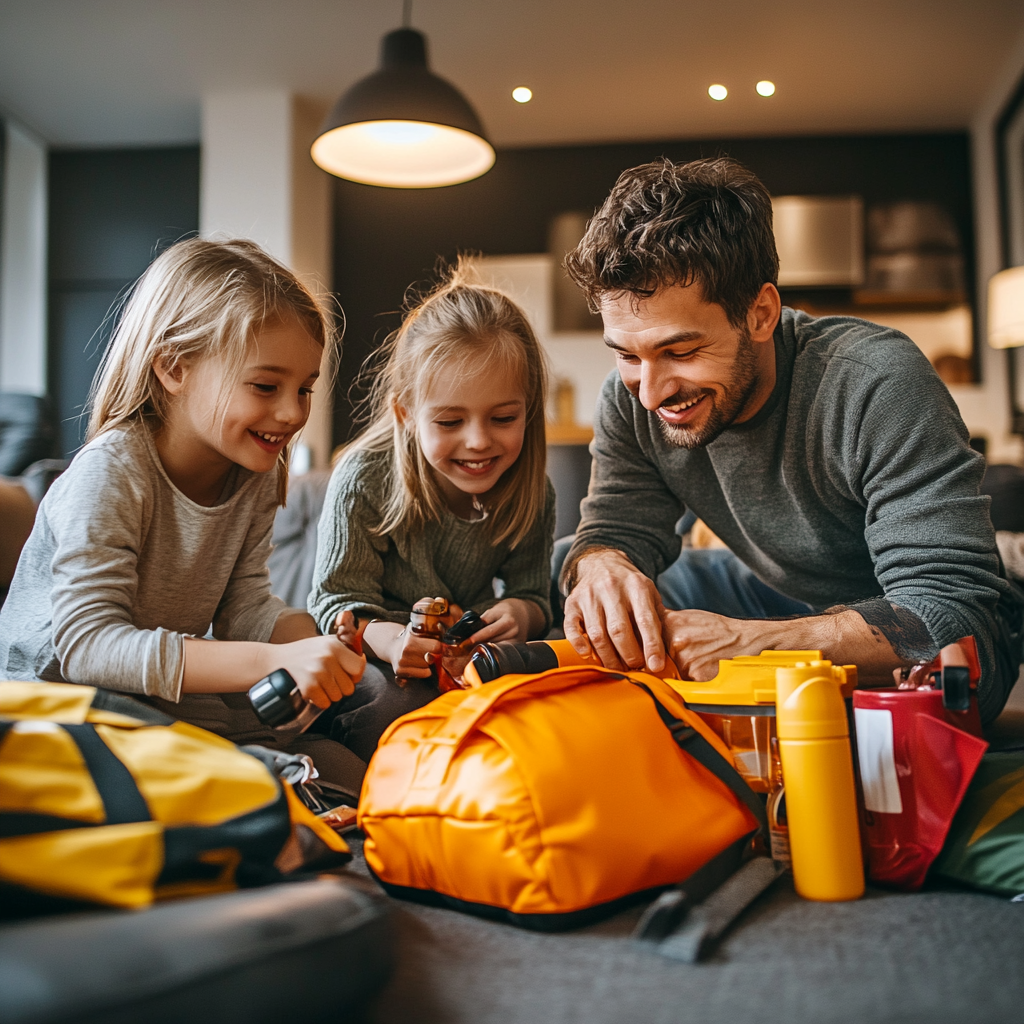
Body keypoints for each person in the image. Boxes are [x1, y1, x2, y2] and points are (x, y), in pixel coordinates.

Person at [559, 157, 1023, 724]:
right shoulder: (627, 396)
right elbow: (614, 529)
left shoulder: (874, 381)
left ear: (760, 314)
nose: (651, 392)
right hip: (776, 596)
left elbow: (948, 612)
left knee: (886, 732)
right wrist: (603, 565)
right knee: (580, 581)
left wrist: (752, 646)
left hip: (925, 630)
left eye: (680, 351)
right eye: (628, 354)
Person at [0, 238, 367, 795]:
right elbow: (88, 645)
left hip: (156, 698)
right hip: (57, 706)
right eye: (266, 386)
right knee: (265, 786)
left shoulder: (255, 471)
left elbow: (244, 603)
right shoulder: (113, 472)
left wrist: (309, 641)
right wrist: (268, 658)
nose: (292, 413)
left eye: (305, 389)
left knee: (345, 765)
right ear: (174, 367)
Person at [308, 264, 556, 761]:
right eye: (449, 421)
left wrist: (518, 614)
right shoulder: (364, 477)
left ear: (528, 409)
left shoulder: (533, 491)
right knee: (395, 708)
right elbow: (336, 604)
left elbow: (533, 595)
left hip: (467, 654)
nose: (479, 441)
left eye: (503, 418)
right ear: (405, 414)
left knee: (548, 696)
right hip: (376, 654)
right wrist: (394, 640)